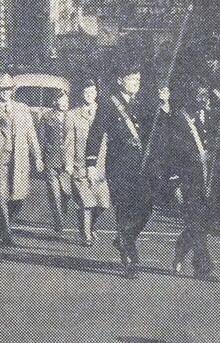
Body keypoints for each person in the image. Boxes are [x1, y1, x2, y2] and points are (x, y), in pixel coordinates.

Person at [85, 63, 163, 278]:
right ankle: (129, 259)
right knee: (125, 208)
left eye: (138, 80)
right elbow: (95, 134)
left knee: (146, 206)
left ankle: (124, 239)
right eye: (131, 79)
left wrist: (163, 107)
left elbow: (156, 128)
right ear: (120, 80)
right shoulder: (108, 103)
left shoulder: (144, 102)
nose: (136, 84)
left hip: (142, 164)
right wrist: (91, 164)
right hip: (119, 164)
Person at [0, 73, 43, 246]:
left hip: (20, 158)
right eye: (0, 90)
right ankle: (6, 232)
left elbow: (31, 135)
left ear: (12, 91)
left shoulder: (23, 109)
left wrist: (37, 156)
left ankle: (6, 223)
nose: (4, 93)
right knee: (1, 196)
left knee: (18, 196)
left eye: (7, 89)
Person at [166, 83, 220, 282]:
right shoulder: (177, 121)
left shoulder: (201, 120)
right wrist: (176, 183)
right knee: (196, 223)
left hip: (205, 180)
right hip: (187, 181)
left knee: (200, 224)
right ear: (189, 98)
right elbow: (172, 154)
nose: (203, 100)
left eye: (205, 95)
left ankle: (180, 249)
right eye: (199, 95)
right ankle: (202, 266)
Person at [63, 80, 110, 246]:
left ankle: (89, 225)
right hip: (80, 165)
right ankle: (86, 236)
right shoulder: (72, 115)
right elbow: (69, 142)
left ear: (96, 93)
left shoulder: (104, 113)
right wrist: (68, 163)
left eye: (92, 92)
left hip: (100, 166)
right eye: (86, 92)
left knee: (103, 203)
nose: (90, 95)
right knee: (86, 202)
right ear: (81, 94)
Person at [38, 88, 72, 235]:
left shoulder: (71, 117)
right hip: (51, 158)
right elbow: (41, 139)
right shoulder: (46, 117)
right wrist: (40, 158)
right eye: (61, 100)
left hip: (67, 160)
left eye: (66, 100)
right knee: (54, 192)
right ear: (55, 101)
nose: (64, 103)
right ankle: (58, 221)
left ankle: (62, 209)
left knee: (66, 192)